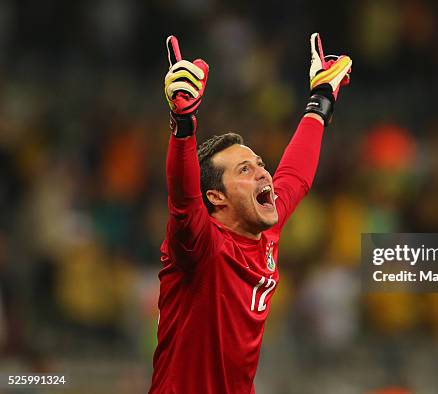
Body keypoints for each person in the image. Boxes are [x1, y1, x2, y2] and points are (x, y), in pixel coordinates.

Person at [149, 33, 352, 393]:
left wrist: (320, 101)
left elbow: (295, 176)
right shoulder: (200, 246)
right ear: (216, 197)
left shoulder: (264, 232)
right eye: (244, 170)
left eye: (259, 164)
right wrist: (183, 126)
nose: (262, 172)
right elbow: (182, 200)